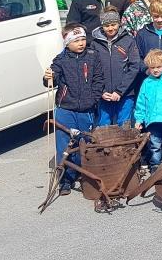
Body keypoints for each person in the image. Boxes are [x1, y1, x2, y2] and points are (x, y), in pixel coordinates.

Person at [45, 23, 103, 195]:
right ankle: (65, 179)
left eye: (83, 39)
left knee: (83, 143)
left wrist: (93, 99)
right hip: (66, 109)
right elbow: (52, 78)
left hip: (86, 109)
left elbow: (98, 80)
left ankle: (83, 174)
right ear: (67, 42)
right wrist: (48, 77)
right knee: (64, 144)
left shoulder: (93, 56)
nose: (81, 43)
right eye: (76, 40)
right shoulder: (60, 60)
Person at [91, 7, 143, 127]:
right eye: (106, 25)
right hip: (104, 96)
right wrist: (101, 91)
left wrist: (120, 91)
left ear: (119, 24)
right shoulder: (95, 44)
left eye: (113, 24)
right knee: (103, 126)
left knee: (124, 126)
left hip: (125, 94)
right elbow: (93, 70)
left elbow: (134, 67)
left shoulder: (128, 41)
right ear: (102, 26)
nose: (110, 28)